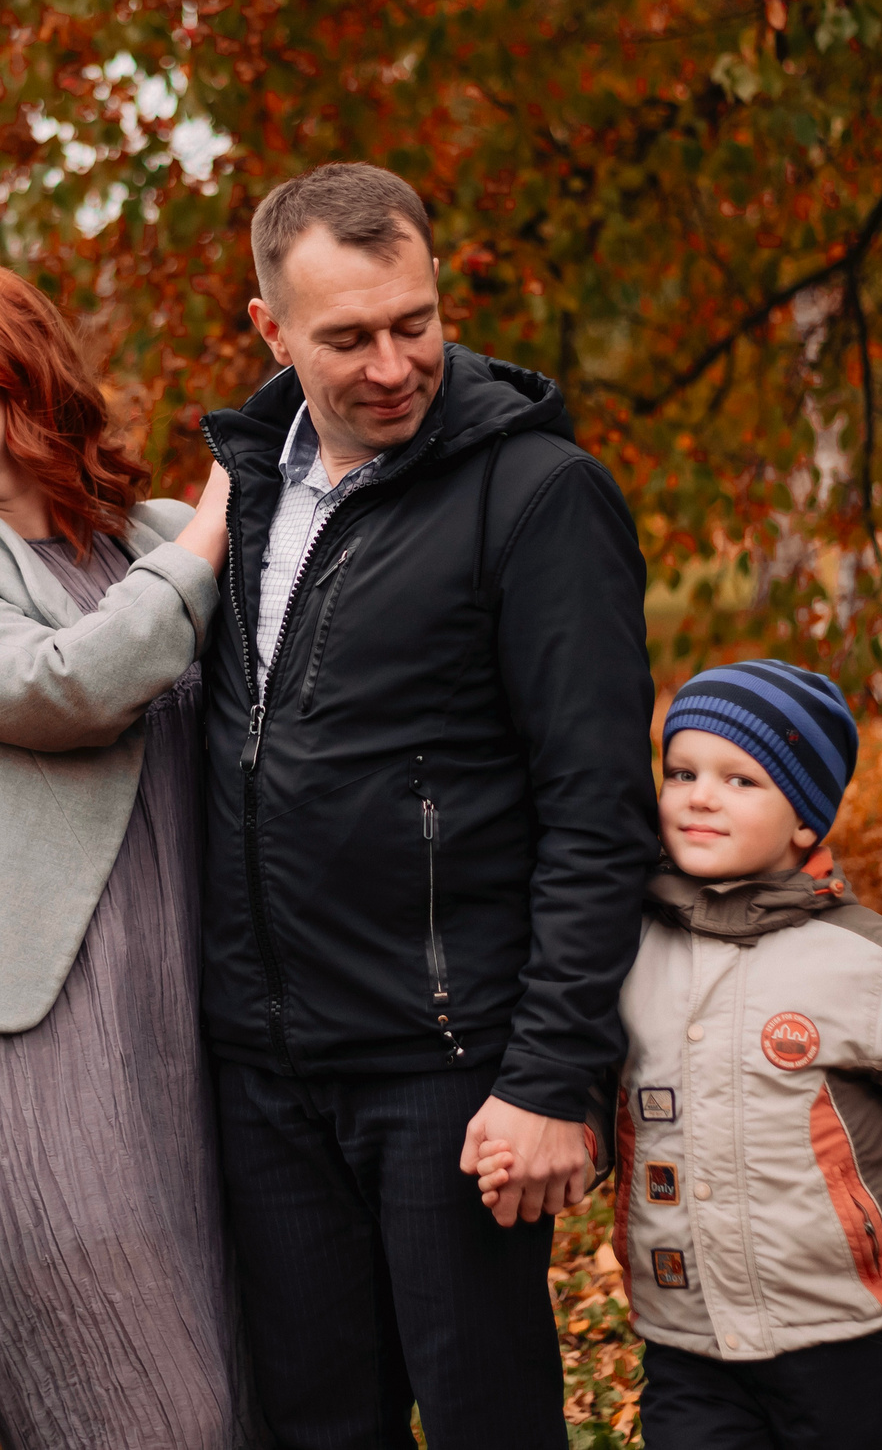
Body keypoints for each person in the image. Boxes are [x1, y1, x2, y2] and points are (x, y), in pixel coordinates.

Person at [197, 162, 660, 1448]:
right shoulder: (236, 499)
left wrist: (555, 1071)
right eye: (346, 338)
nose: (392, 364)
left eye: (416, 322)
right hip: (264, 1070)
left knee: (483, 1422)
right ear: (270, 330)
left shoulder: (538, 494)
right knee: (317, 1424)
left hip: (449, 1072)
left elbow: (598, 803)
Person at [0, 261, 257, 1447]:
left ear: (11, 359)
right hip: (36, 1049)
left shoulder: (162, 535)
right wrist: (212, 532)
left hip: (202, 1023)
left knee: (248, 1399)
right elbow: (64, 686)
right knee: (141, 1414)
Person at [485, 660, 882, 1449]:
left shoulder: (862, 959)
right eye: (681, 771)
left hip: (847, 1334)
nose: (700, 794)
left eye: (741, 780)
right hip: (687, 1342)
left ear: (806, 819)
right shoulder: (624, 945)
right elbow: (604, 1088)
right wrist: (571, 1140)